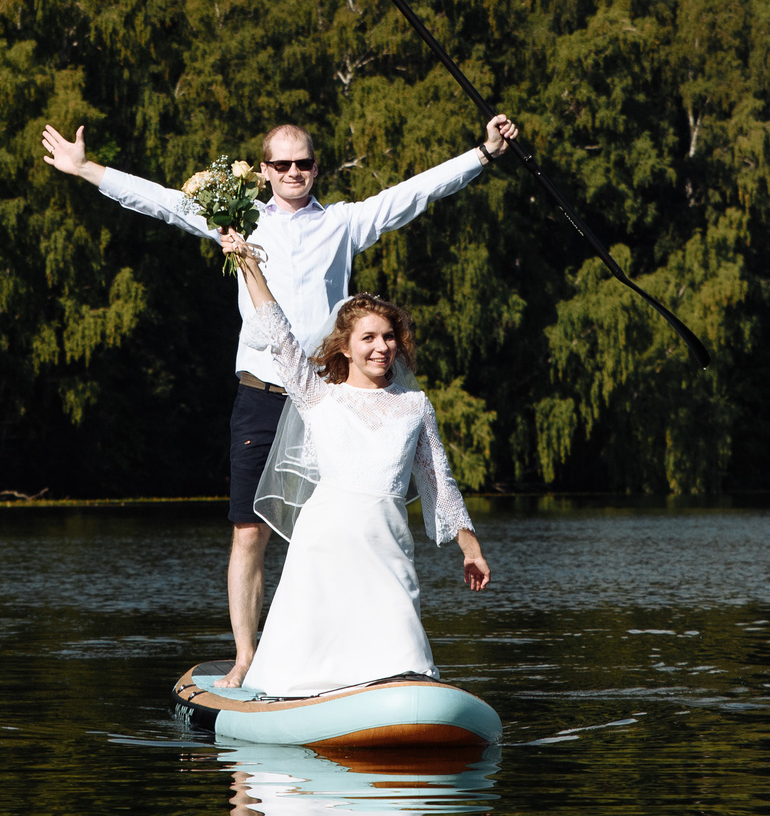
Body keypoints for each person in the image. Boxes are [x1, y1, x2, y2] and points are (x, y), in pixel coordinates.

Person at [40, 114, 516, 685]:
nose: (295, 172)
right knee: (249, 533)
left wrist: (483, 155)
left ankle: (346, 655)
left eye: (305, 163)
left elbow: (415, 193)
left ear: (318, 168)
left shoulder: (344, 223)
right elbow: (162, 202)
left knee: (339, 524)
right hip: (263, 395)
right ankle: (246, 656)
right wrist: (85, 168)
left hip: (331, 402)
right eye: (283, 164)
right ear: (264, 171)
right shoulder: (235, 221)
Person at [218, 229, 488, 696]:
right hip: (323, 543)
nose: (382, 347)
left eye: (389, 338)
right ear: (345, 346)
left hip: (387, 545)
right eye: (369, 338)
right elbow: (278, 330)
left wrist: (470, 547)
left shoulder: (415, 405)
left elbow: (438, 481)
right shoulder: (317, 395)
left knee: (403, 656)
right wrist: (249, 264)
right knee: (305, 663)